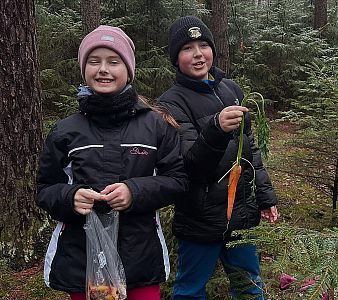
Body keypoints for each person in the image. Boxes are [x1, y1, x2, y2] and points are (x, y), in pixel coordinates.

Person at [36, 25, 187, 300]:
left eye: (113, 61)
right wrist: (70, 197)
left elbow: (177, 180)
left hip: (139, 256)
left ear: (128, 70)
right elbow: (45, 189)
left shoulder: (155, 126)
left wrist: (134, 191)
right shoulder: (65, 131)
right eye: (94, 61)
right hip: (82, 260)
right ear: (84, 69)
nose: (103, 69)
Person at [158, 16, 279, 299]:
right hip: (199, 218)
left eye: (203, 45)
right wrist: (215, 129)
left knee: (249, 284)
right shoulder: (170, 103)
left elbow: (250, 149)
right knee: (190, 289)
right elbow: (189, 166)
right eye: (188, 48)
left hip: (240, 216)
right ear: (176, 58)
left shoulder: (231, 90)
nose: (198, 54)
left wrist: (265, 196)